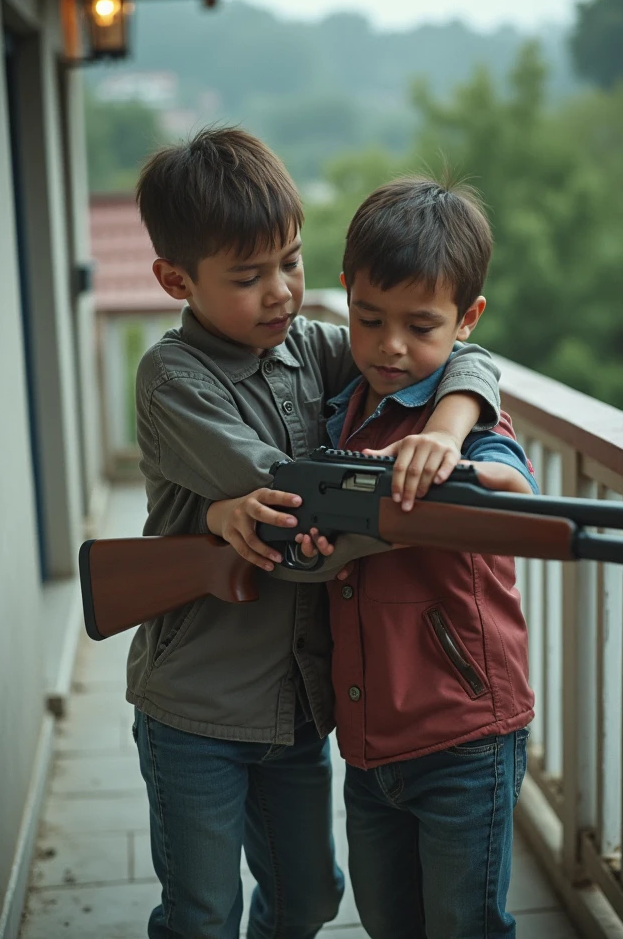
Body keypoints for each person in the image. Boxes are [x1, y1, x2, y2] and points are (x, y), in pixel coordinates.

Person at [128, 127, 504, 939]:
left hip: (296, 705)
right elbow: (295, 502)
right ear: (174, 279)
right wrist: (421, 518)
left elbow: (468, 359)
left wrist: (447, 424)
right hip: (197, 699)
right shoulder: (173, 377)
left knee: (309, 899)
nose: (282, 294)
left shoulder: (313, 348)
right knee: (200, 912)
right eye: (248, 276)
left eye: (291, 262)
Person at [320, 177, 537, 939]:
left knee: (465, 924)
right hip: (368, 739)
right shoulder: (344, 406)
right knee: (387, 922)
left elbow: (516, 489)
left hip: (464, 734)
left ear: (466, 320)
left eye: (420, 326)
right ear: (345, 292)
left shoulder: (466, 421)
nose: (390, 347)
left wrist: (451, 457)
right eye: (369, 318)